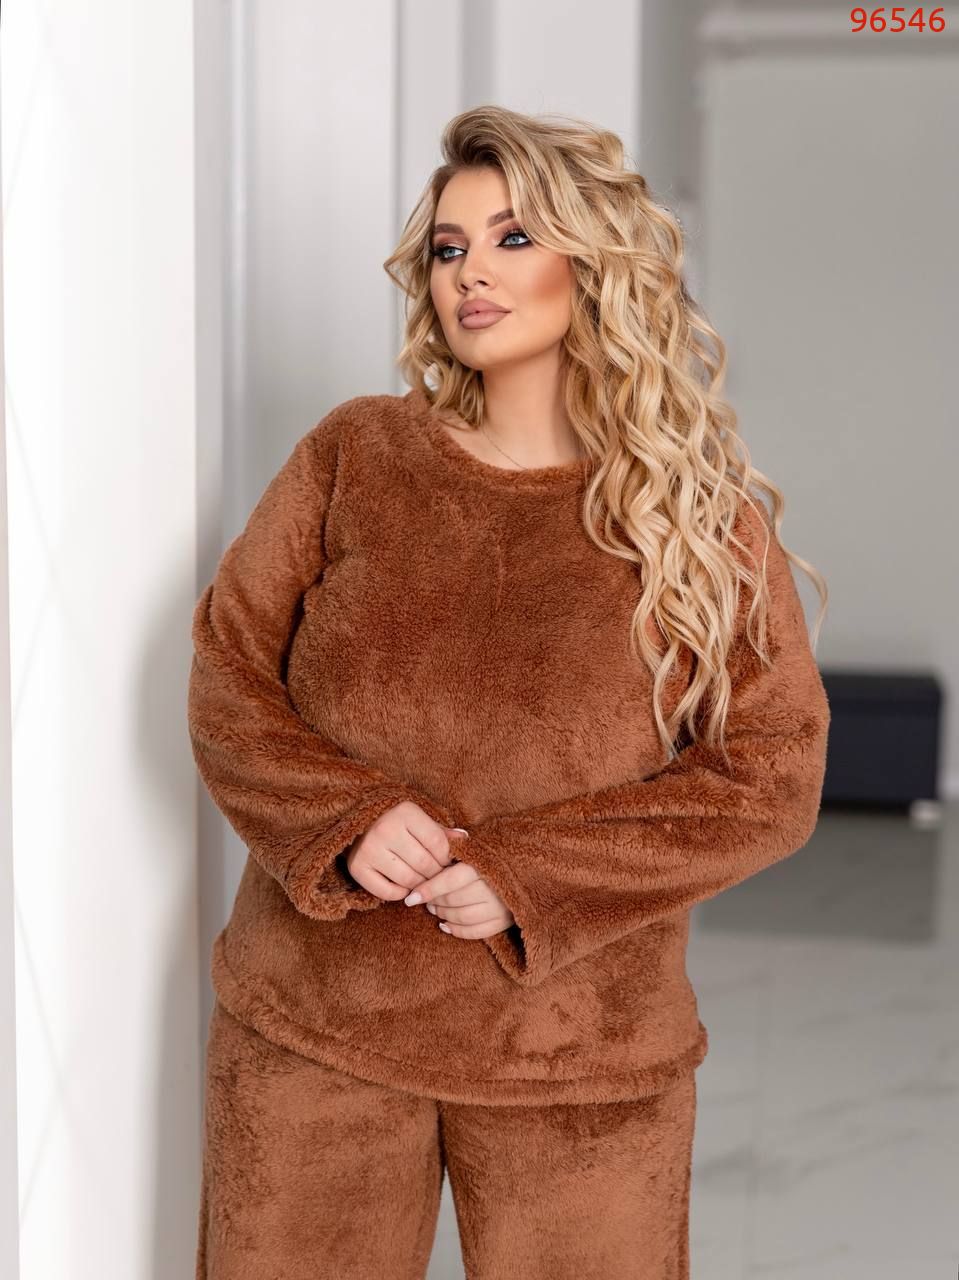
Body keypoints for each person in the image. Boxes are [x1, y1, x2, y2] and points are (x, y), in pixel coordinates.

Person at [188, 104, 831, 1280]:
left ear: (595, 262)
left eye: (512, 237)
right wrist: (342, 817)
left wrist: (526, 873)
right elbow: (228, 672)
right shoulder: (355, 455)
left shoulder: (696, 522)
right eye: (449, 247)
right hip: (315, 1026)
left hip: (580, 1055)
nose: (469, 272)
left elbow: (770, 775)